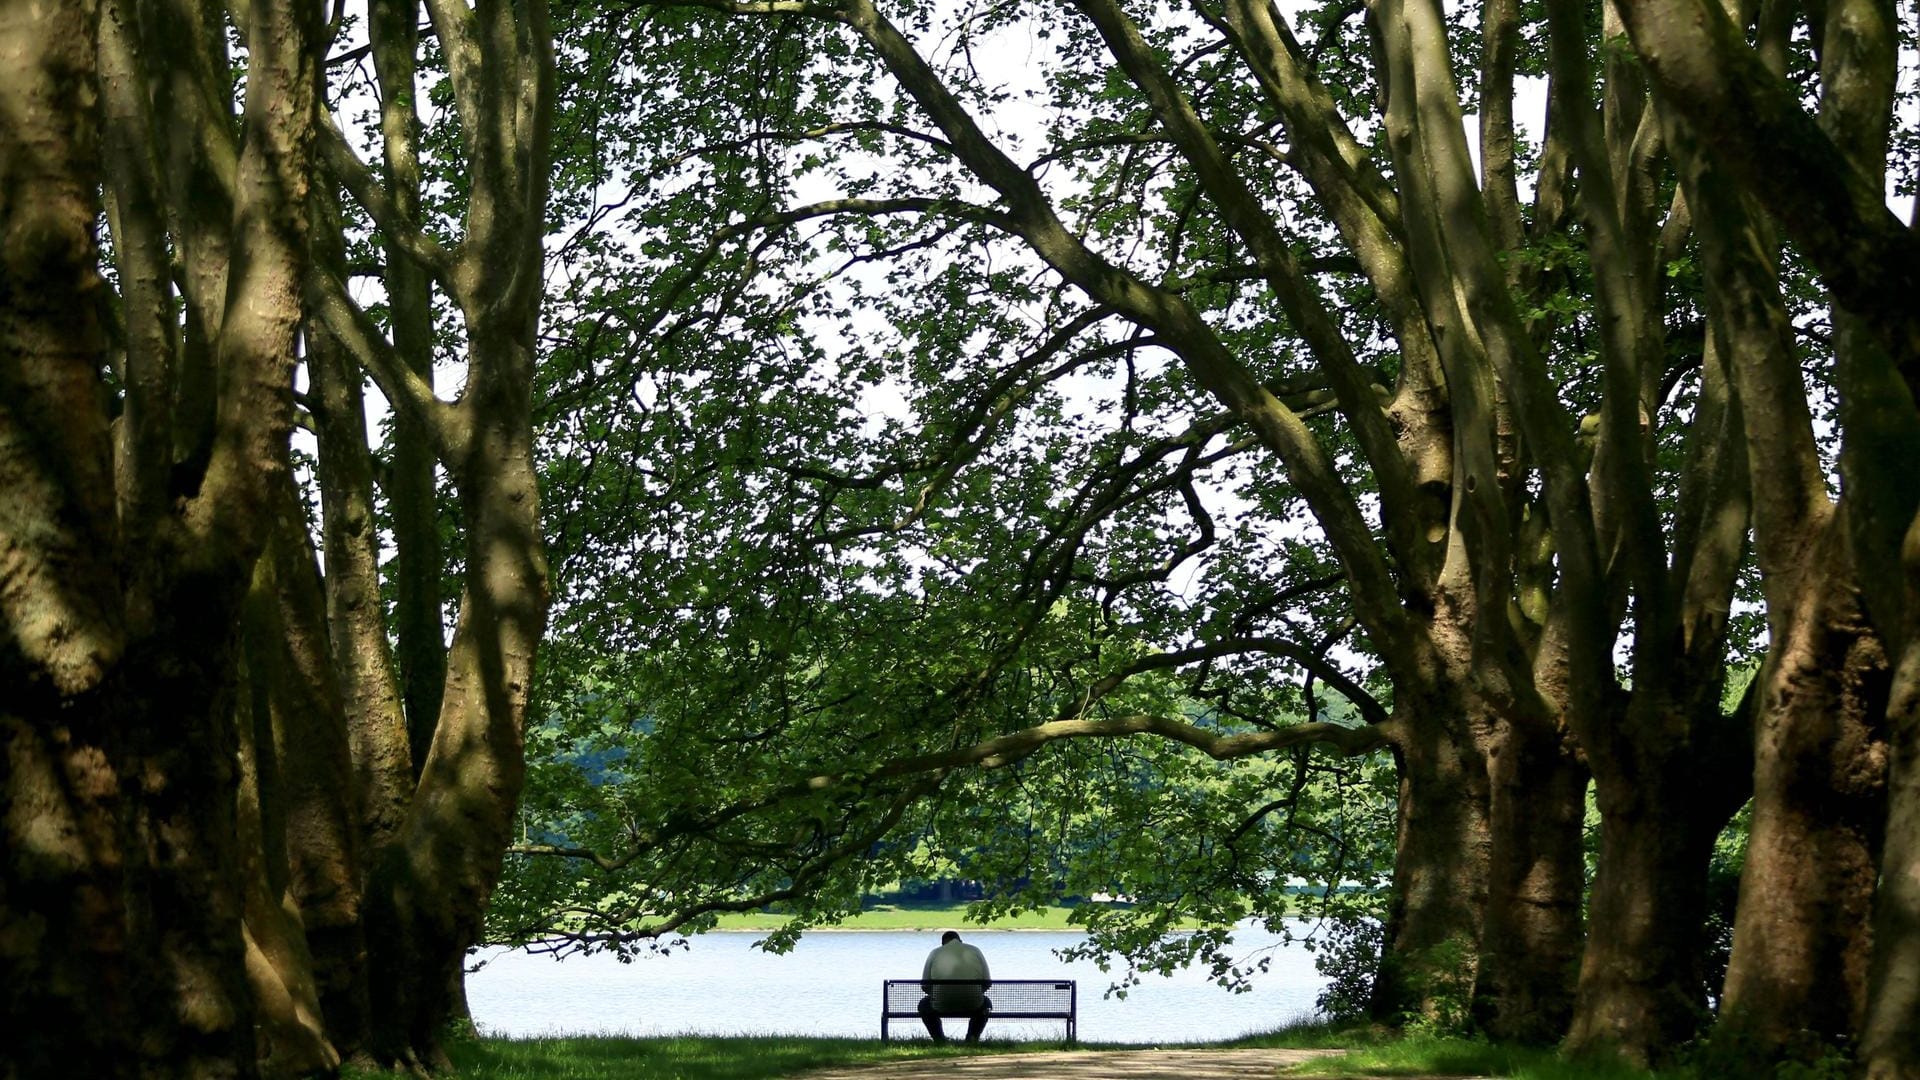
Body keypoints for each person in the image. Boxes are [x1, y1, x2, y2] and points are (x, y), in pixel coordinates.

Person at [918, 930, 992, 1042]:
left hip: (941, 1004)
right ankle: (972, 1038)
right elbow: (987, 982)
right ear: (960, 940)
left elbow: (925, 985)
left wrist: (937, 994)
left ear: (943, 943)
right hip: (972, 1003)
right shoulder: (975, 951)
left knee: (923, 1005)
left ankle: (939, 1039)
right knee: (986, 1003)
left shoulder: (935, 953)